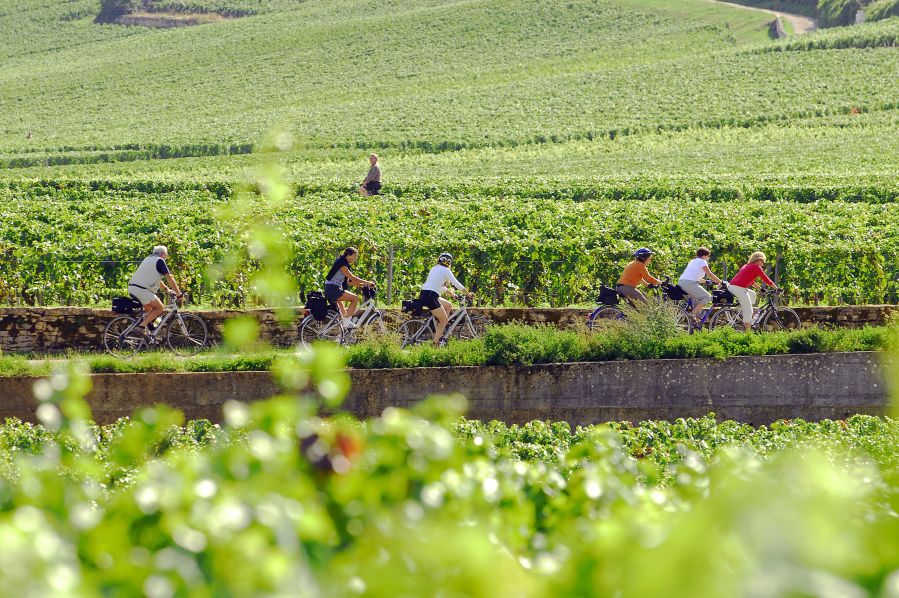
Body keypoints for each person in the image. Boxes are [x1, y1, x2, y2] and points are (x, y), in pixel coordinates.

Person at [128, 245, 183, 336]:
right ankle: (141, 327)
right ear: (162, 254)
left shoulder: (148, 259)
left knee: (149, 311)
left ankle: (146, 335)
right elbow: (169, 277)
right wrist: (178, 293)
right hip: (142, 290)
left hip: (133, 288)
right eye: (166, 254)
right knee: (159, 308)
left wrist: (167, 290)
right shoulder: (160, 260)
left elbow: (156, 278)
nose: (167, 256)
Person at [419, 252, 472, 347]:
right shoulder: (446, 271)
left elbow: (441, 287)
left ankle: (441, 330)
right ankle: (435, 344)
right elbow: (456, 283)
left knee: (448, 305)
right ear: (449, 262)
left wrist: (452, 295)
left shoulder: (434, 268)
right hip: (431, 296)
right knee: (444, 320)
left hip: (426, 294)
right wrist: (468, 294)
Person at [727, 251, 778, 331]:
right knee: (749, 311)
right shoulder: (756, 267)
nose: (763, 264)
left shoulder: (747, 266)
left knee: (753, 294)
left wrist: (760, 289)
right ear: (759, 259)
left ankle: (743, 312)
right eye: (763, 261)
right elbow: (766, 279)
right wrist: (776, 288)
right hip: (738, 288)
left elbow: (751, 281)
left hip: (733, 286)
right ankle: (748, 333)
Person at [324, 247, 374, 328]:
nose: (355, 258)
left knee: (344, 313)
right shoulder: (342, 265)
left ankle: (343, 331)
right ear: (349, 255)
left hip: (332, 288)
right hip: (333, 289)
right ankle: (347, 323)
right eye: (355, 256)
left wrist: (363, 285)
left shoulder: (342, 262)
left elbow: (349, 282)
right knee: (355, 299)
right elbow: (353, 278)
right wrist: (368, 282)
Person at [678, 247, 724, 320]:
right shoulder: (702, 261)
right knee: (707, 297)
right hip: (689, 284)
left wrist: (707, 281)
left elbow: (694, 277)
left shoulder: (693, 261)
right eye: (709, 256)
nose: (709, 258)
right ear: (704, 255)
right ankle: (692, 314)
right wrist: (721, 282)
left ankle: (695, 323)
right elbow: (709, 274)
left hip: (682, 282)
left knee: (698, 302)